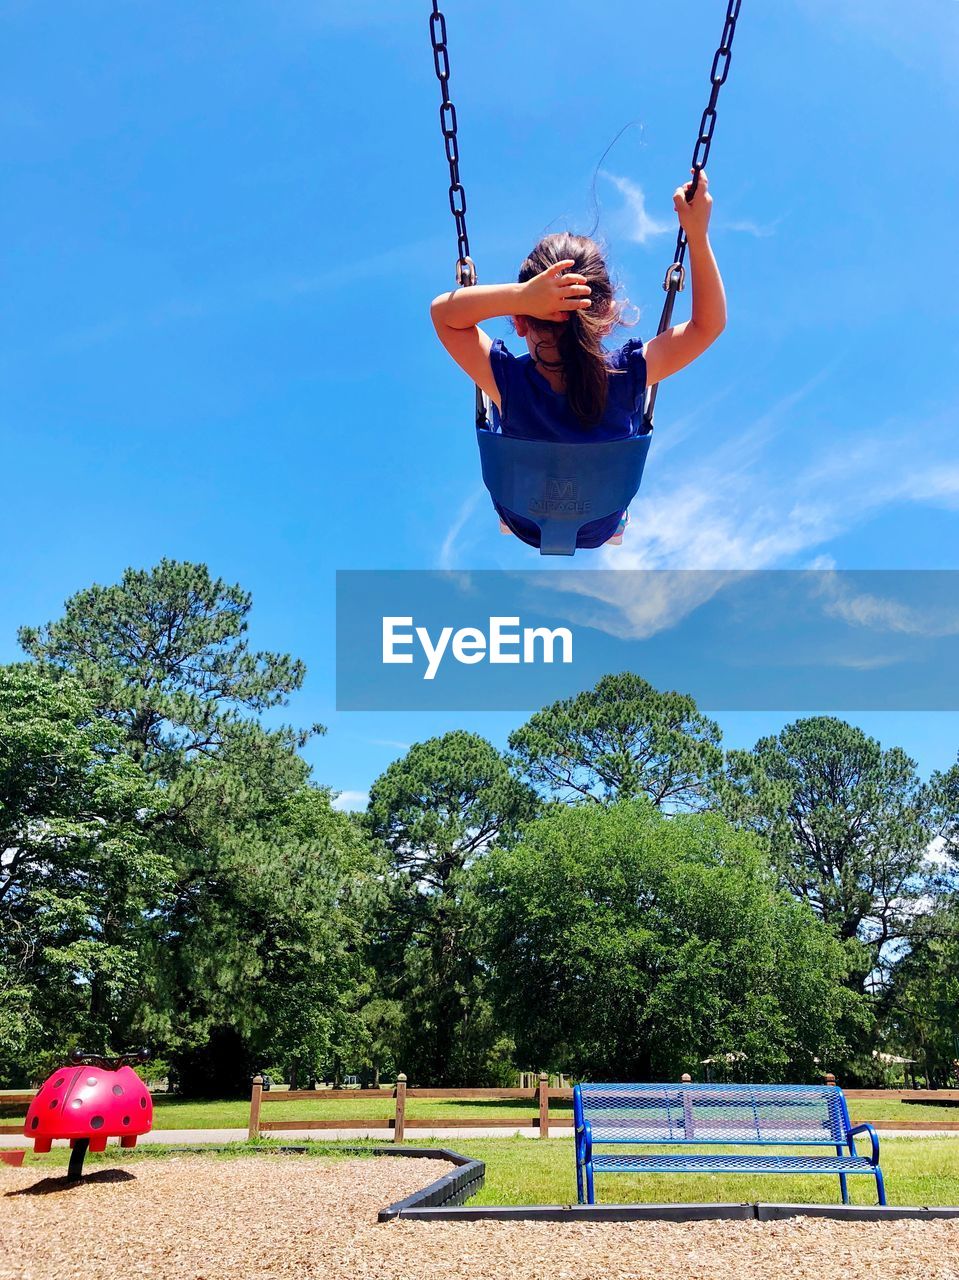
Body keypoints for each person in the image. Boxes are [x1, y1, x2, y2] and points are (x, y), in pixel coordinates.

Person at [430, 171, 727, 548]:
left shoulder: (508, 383)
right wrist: (698, 235)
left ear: (519, 323)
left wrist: (521, 296)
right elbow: (708, 325)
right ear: (606, 318)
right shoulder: (628, 376)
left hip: (521, 518)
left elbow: (443, 316)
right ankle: (618, 521)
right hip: (599, 522)